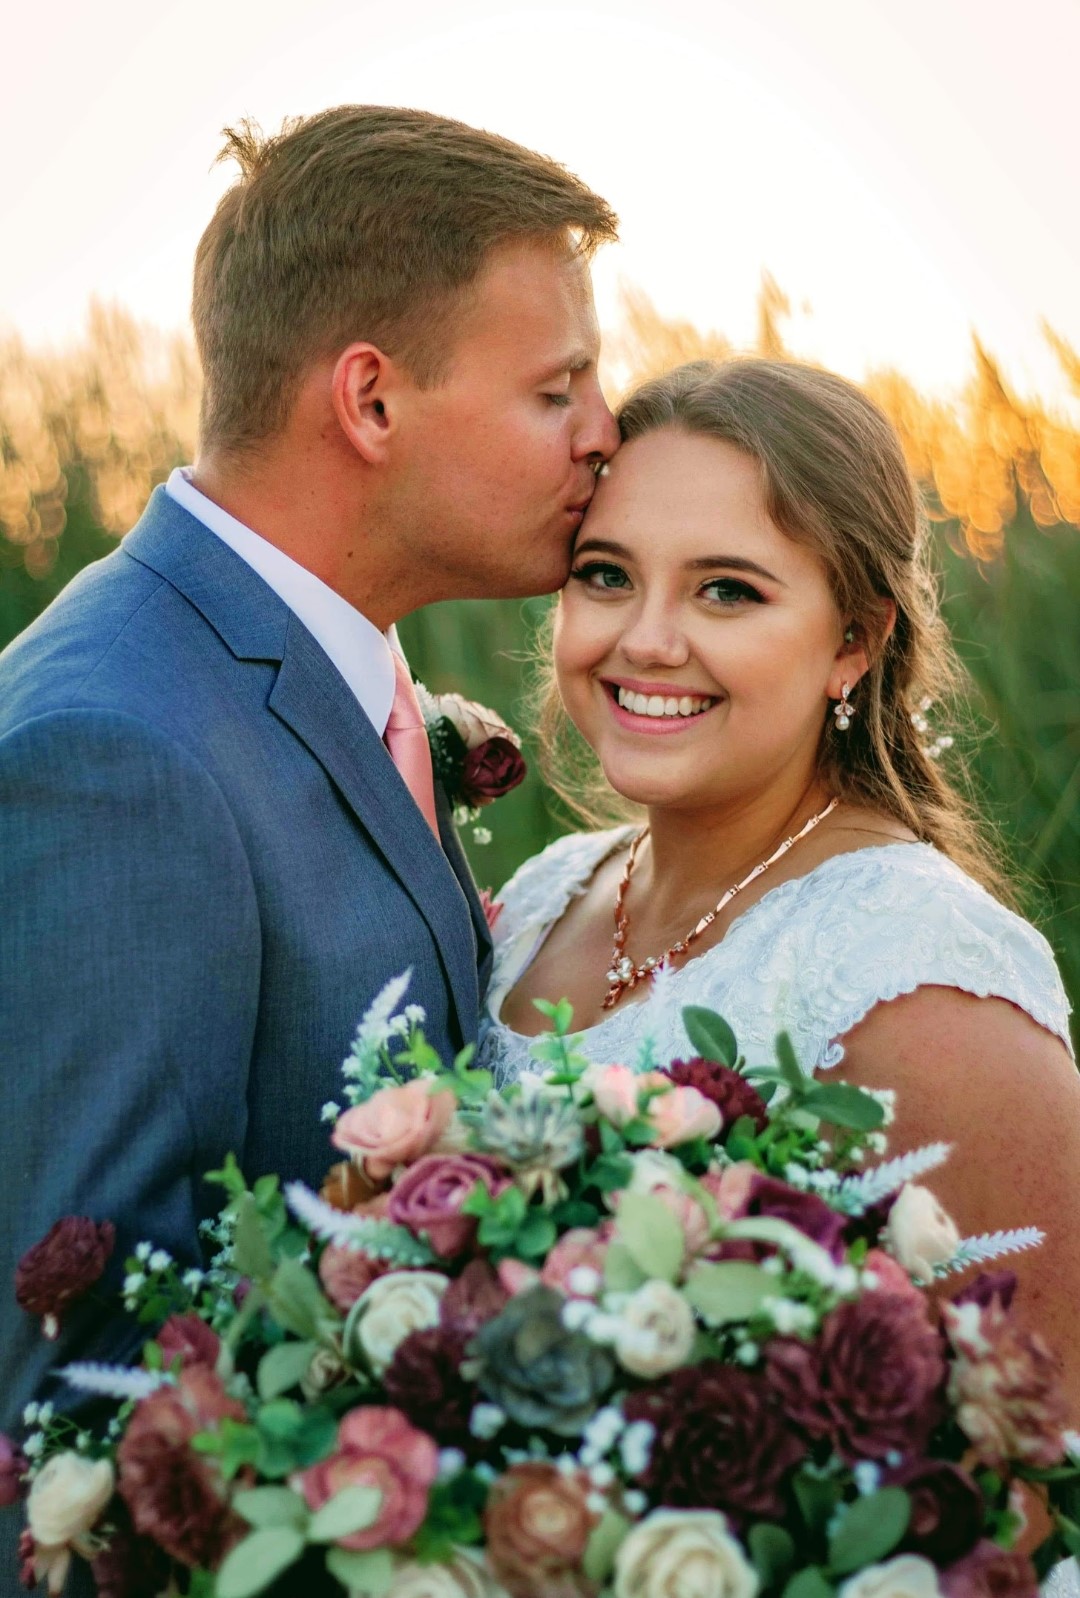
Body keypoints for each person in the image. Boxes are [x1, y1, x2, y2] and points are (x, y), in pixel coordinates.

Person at [0, 104, 619, 1440]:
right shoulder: (113, 751)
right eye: (556, 389)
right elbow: (77, 1391)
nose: (604, 434)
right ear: (372, 398)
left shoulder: (336, 663)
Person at [479, 357, 1080, 1443]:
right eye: (607, 574)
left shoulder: (917, 969)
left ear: (854, 640)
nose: (647, 638)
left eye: (727, 590)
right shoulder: (536, 902)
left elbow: (1042, 1463)